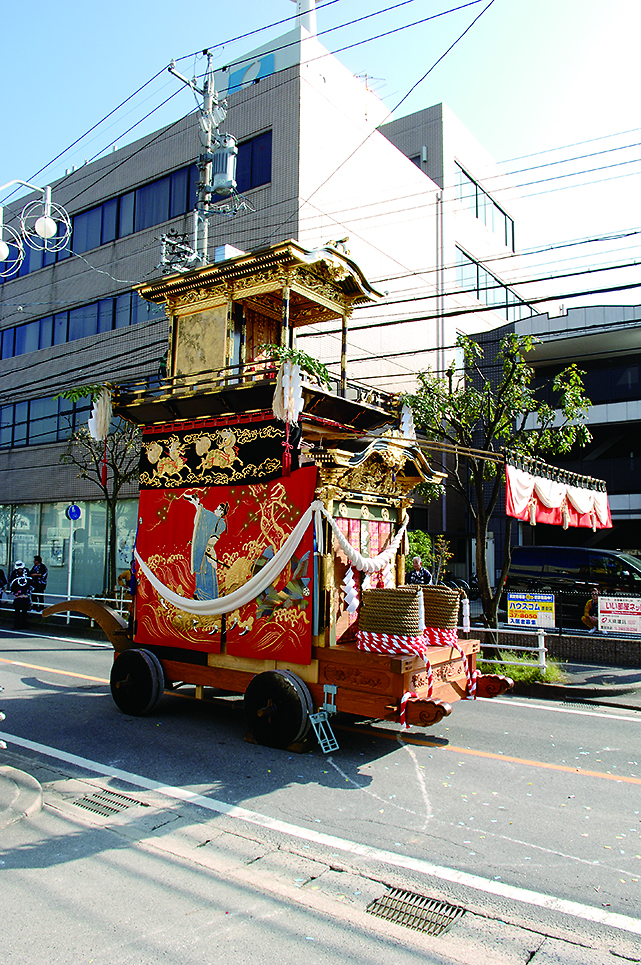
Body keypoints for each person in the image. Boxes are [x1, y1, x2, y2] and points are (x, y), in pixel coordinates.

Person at [184, 494, 229, 600]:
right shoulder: (213, 520)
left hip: (208, 552)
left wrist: (198, 505)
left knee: (208, 573)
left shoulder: (221, 523)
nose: (216, 510)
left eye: (218, 509)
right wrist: (197, 505)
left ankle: (209, 596)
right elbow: (202, 519)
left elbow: (205, 517)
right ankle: (199, 593)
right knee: (200, 572)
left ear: (222, 513)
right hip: (203, 551)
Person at [9, 562, 33, 630]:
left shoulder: (18, 574)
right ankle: (20, 625)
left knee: (21, 613)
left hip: (23, 597)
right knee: (19, 613)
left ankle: (21, 625)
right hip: (20, 597)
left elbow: (12, 585)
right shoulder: (25, 574)